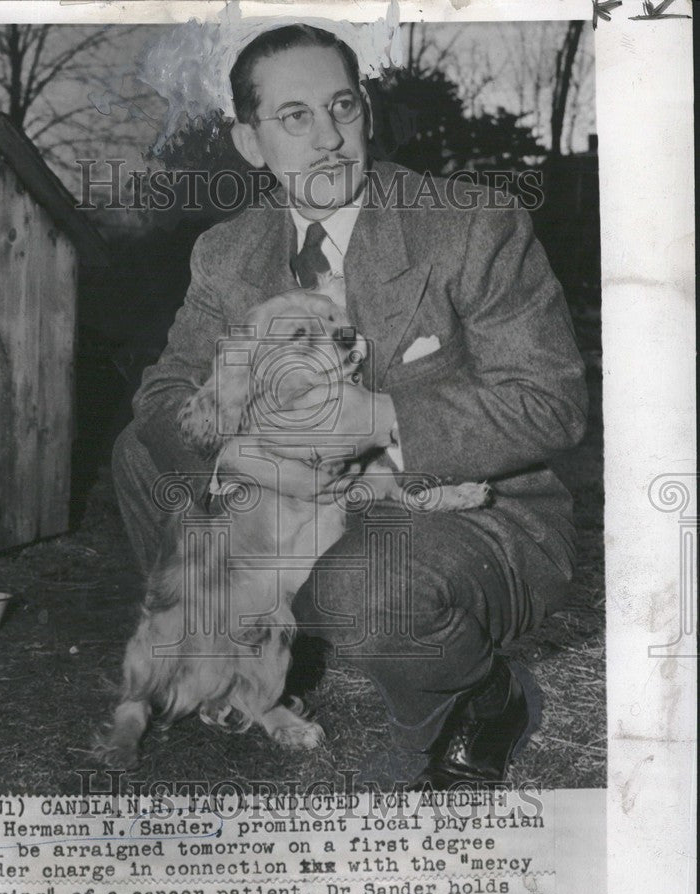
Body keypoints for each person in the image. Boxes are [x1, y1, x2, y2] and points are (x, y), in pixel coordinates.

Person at [112, 24, 588, 787]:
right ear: (249, 141)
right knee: (143, 452)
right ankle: (243, 661)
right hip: (292, 503)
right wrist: (249, 459)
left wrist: (367, 423)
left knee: (365, 580)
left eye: (342, 107)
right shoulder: (227, 252)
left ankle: (483, 696)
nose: (328, 138)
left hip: (464, 512)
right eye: (294, 117)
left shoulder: (469, 223)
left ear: (365, 110)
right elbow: (164, 396)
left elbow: (549, 403)